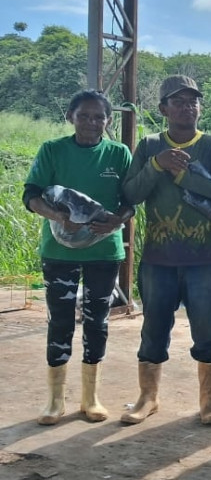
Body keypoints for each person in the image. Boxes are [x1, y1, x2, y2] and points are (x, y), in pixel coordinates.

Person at [121, 75, 211, 425]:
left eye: (193, 101)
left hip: (205, 259)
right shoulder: (149, 145)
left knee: (206, 329)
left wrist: (182, 177)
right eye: (178, 101)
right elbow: (130, 194)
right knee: (153, 328)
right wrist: (157, 165)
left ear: (200, 108)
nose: (187, 107)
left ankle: (208, 401)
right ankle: (147, 398)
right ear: (163, 109)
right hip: (158, 258)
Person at [23, 89, 134, 425]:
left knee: (97, 321)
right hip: (59, 252)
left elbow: (131, 199)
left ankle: (91, 397)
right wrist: (59, 218)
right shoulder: (52, 150)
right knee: (59, 320)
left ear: (108, 120)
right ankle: (55, 400)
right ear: (70, 117)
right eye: (83, 115)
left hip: (104, 251)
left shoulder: (118, 153)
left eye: (98, 116)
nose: (91, 122)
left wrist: (119, 219)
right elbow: (31, 195)